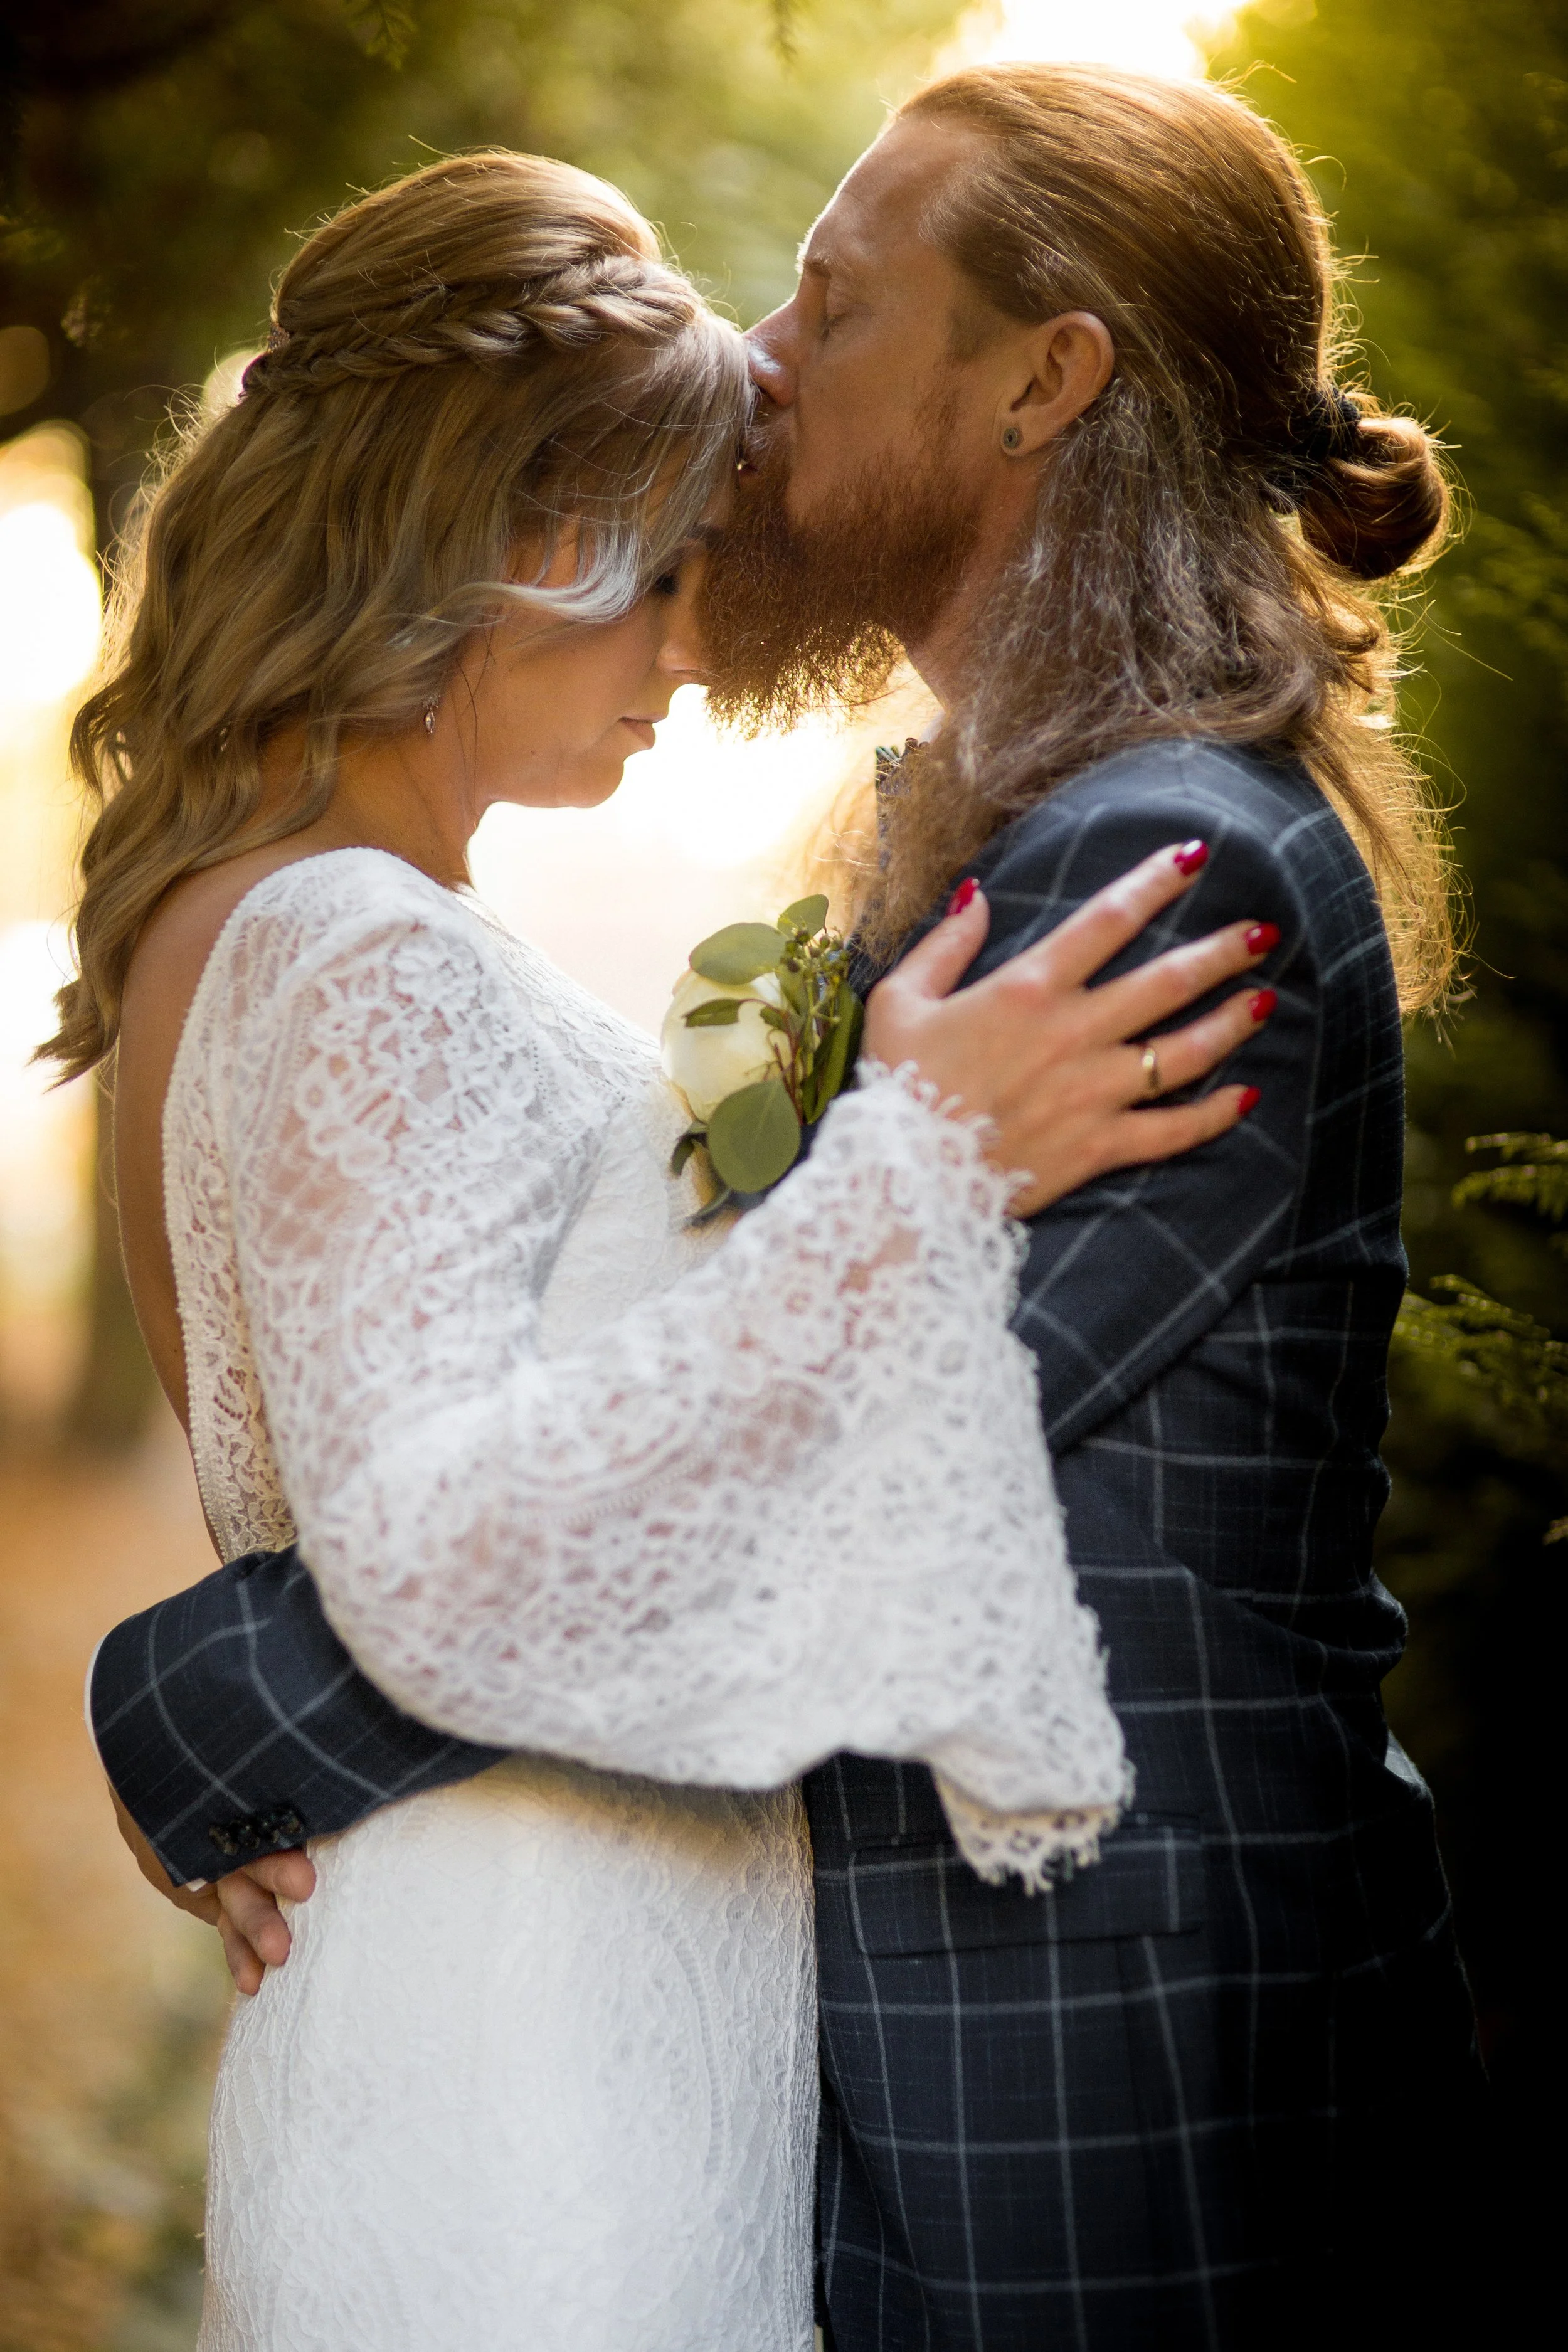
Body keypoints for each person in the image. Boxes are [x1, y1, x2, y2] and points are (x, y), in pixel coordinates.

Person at [61, 149, 1273, 2351]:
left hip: (522, 1980)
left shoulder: (234, 921)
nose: (698, 646)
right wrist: (917, 1157)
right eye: (666, 575)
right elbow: (434, 1553)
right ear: (506, 539)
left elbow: (350, 1522)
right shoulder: (359, 950)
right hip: (529, 2059)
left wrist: (198, 1715)